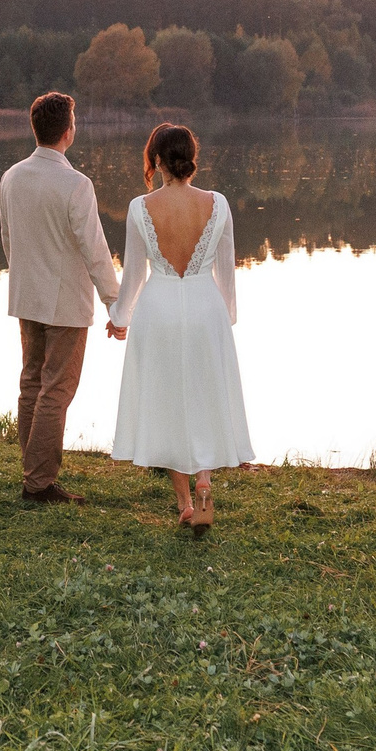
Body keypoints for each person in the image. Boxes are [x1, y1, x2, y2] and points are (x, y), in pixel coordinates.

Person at [107, 123, 252, 536]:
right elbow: (227, 269)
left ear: (155, 159)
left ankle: (186, 503)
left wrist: (120, 318)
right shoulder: (218, 203)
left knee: (168, 400)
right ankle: (204, 478)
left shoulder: (140, 208)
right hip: (206, 308)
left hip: (160, 311)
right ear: (191, 157)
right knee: (203, 394)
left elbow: (134, 273)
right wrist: (225, 317)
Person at [0, 90, 121, 505]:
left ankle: (33, 471)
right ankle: (39, 484)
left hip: (26, 296)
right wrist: (115, 303)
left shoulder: (11, 177)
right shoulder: (76, 184)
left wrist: (24, 277)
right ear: (68, 131)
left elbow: (8, 240)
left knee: (32, 381)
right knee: (57, 389)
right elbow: (96, 249)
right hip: (65, 303)